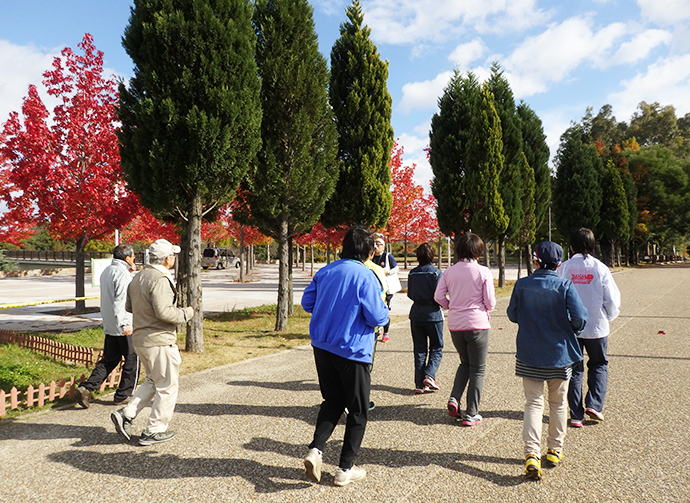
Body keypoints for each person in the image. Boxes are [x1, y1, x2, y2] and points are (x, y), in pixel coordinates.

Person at [301, 226, 390, 487]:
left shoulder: (325, 271)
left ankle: (315, 450)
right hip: (353, 350)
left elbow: (308, 303)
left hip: (323, 345)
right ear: (367, 250)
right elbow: (377, 316)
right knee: (359, 410)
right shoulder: (365, 276)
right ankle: (344, 468)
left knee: (332, 400)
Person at [507, 241, 587, 480]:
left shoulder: (522, 285)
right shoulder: (564, 285)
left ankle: (531, 454)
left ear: (535, 260)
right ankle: (554, 449)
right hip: (559, 353)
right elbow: (580, 317)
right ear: (559, 263)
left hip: (530, 351)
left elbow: (512, 314)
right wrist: (569, 327)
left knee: (533, 403)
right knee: (558, 403)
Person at [110, 239, 194, 446]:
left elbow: (129, 306)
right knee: (167, 386)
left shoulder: (138, 277)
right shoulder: (160, 279)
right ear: (167, 259)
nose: (173, 259)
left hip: (140, 338)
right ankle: (154, 430)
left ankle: (127, 414)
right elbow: (164, 312)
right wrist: (187, 312)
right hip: (159, 339)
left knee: (153, 381)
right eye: (172, 256)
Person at [558, 228, 621, 427]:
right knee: (598, 364)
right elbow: (611, 298)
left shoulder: (564, 268)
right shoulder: (600, 268)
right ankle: (594, 404)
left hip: (571, 328)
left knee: (574, 370)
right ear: (593, 245)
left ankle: (576, 414)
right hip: (597, 326)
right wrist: (608, 317)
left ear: (571, 246)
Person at [434, 233, 495, 426]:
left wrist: (451, 305)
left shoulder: (449, 271)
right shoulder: (483, 271)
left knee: (464, 364)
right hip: (477, 324)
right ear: (478, 251)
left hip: (455, 324)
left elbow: (438, 296)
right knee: (478, 369)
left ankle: (454, 398)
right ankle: (471, 413)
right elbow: (490, 302)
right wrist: (483, 308)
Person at [75, 244, 139, 408]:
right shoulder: (123, 274)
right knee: (132, 359)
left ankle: (86, 387)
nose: (134, 259)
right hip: (124, 324)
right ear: (127, 258)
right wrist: (125, 323)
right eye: (133, 257)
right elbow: (121, 300)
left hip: (110, 323)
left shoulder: (108, 271)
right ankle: (123, 394)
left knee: (109, 360)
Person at [407, 243, 444, 394]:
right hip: (433, 314)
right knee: (436, 347)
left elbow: (410, 294)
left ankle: (419, 383)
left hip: (416, 313)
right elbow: (439, 295)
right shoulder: (436, 273)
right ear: (432, 255)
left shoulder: (412, 273)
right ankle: (429, 375)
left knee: (420, 349)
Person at [372, 237, 400, 342]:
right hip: (374, 287)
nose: (376, 246)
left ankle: (386, 332)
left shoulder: (388, 256)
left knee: (385, 309)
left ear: (383, 246)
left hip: (386, 288)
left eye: (379, 244)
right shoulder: (371, 257)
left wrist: (387, 272)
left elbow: (396, 268)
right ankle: (378, 329)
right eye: (375, 244)